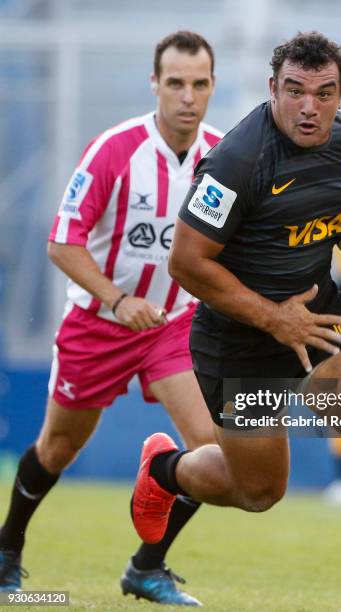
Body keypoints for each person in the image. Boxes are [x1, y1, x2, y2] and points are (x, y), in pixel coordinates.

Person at [131, 32, 341, 611]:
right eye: (294, 91)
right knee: (259, 491)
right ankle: (165, 470)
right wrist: (274, 320)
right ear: (273, 89)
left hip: (318, 315)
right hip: (239, 338)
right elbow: (187, 264)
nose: (308, 106)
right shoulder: (236, 162)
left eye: (323, 93)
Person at [0, 30, 222, 606]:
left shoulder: (224, 159)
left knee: (215, 453)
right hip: (98, 323)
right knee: (57, 448)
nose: (187, 97)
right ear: (155, 84)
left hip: (172, 325)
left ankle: (147, 567)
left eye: (199, 84)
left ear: (212, 86)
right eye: (175, 83)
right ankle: (8, 549)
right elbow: (61, 242)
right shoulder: (114, 150)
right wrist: (119, 300)